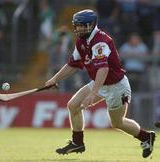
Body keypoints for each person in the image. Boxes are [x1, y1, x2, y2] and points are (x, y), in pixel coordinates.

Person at [45, 9, 156, 158]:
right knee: (73, 105)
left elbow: (103, 69)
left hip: (117, 87)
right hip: (100, 83)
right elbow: (73, 64)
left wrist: (92, 93)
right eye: (76, 25)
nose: (77, 29)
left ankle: (146, 137)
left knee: (117, 123)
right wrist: (54, 79)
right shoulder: (81, 41)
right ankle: (77, 143)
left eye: (80, 26)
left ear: (90, 25)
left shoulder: (100, 42)